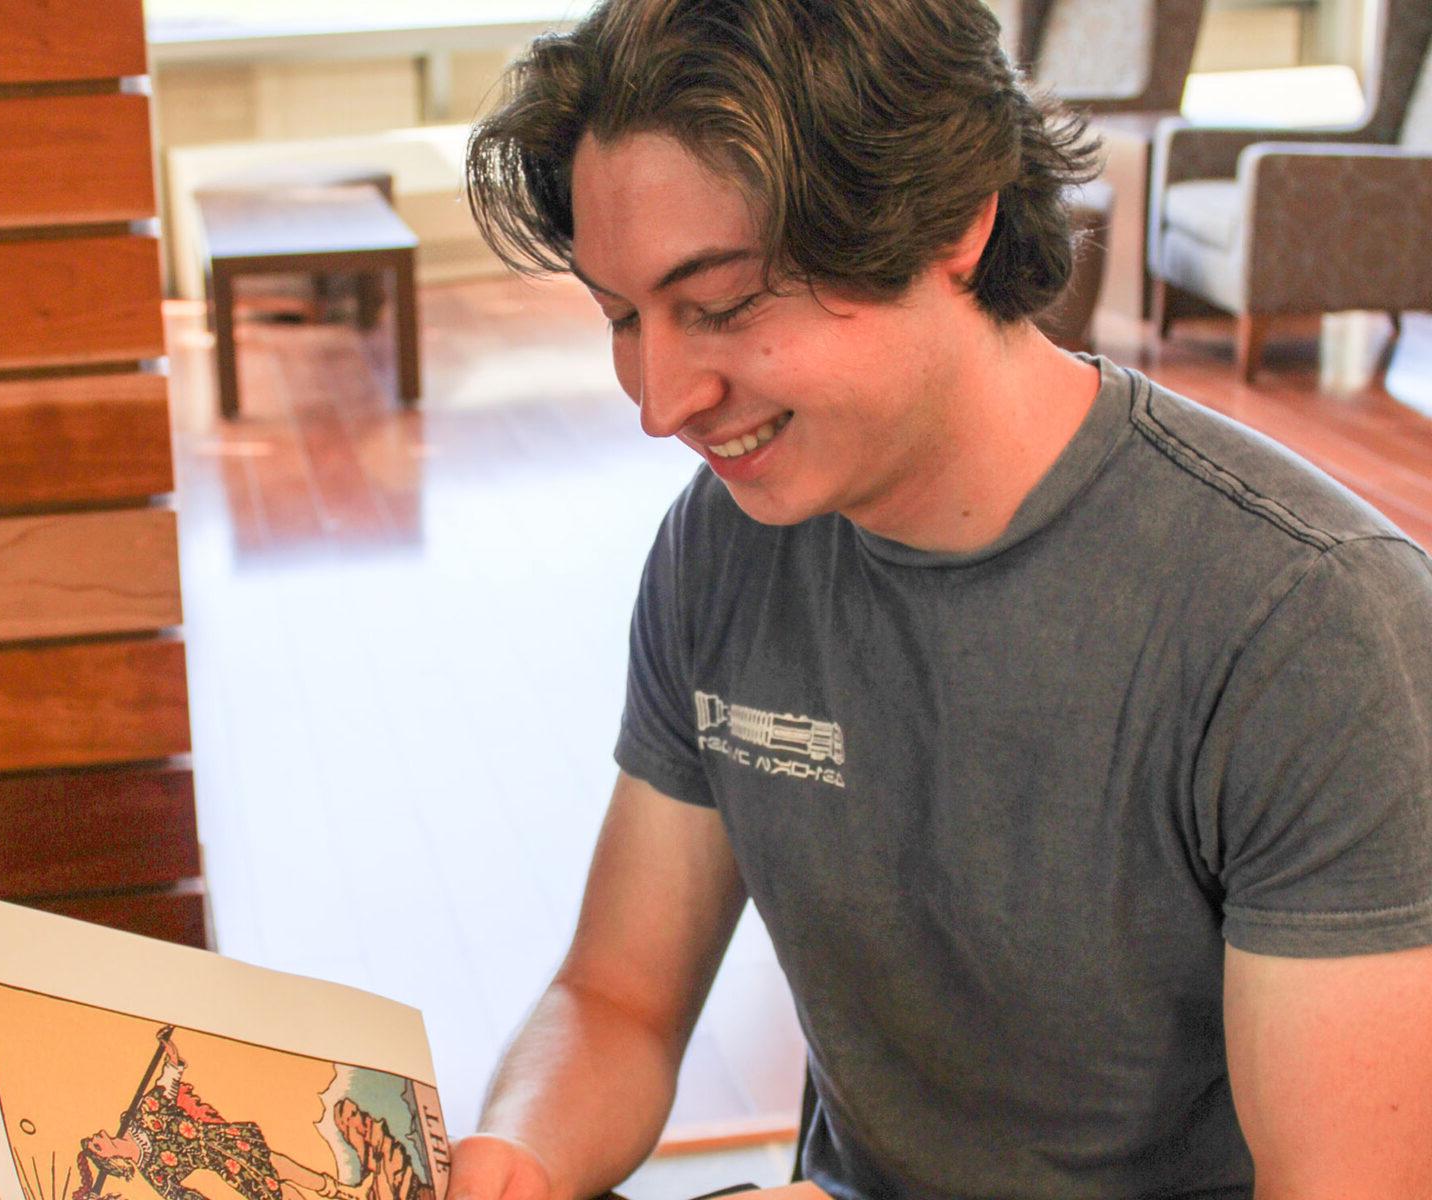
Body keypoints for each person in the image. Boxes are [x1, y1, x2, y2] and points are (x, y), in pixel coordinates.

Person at [452, 1, 1432, 1197]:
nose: (659, 401)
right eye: (621, 315)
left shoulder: (1304, 623)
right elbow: (617, 997)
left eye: (722, 304)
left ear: (953, 221)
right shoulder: (726, 546)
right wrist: (519, 1152)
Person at [78, 1031, 327, 1200]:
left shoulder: (138, 1119)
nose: (95, 1137)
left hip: (225, 1137)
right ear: (111, 1160)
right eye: (96, 1146)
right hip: (227, 1163)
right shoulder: (154, 1170)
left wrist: (172, 1058)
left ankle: (336, 1190)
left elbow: (165, 1089)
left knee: (280, 1166)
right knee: (277, 1192)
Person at [325, 1097, 435, 1200]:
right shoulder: (369, 1158)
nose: (353, 1122)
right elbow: (363, 1192)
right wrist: (335, 1189)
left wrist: (336, 1189)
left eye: (354, 1113)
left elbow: (377, 1190)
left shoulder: (380, 1141)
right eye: (345, 1125)